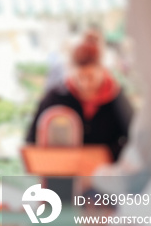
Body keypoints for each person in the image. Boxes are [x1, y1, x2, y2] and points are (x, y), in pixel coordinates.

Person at [26, 31, 133, 161]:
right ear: (71, 72)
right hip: (63, 173)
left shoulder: (116, 98)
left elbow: (134, 139)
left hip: (104, 174)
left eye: (91, 77)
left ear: (102, 70)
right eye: (80, 77)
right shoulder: (55, 97)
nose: (85, 84)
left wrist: (107, 154)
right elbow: (32, 140)